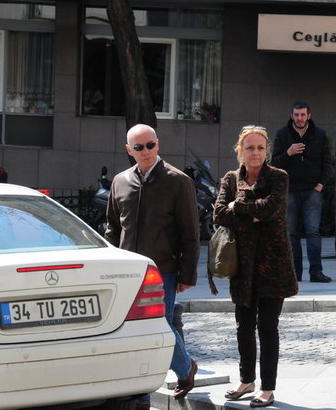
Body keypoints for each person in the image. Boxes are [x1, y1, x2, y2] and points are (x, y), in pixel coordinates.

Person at [105, 124, 200, 407]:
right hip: (127, 271)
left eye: (150, 145)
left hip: (163, 270)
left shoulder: (178, 181)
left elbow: (191, 233)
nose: (146, 151)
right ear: (129, 150)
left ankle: (185, 368)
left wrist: (187, 274)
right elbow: (112, 228)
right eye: (139, 147)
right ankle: (142, 394)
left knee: (159, 326)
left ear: (158, 144)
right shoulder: (120, 182)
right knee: (134, 331)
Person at [214, 125, 299, 408]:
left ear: (267, 151)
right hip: (242, 264)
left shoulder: (278, 176)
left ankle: (268, 387)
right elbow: (219, 214)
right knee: (244, 326)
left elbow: (272, 209)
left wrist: (238, 207)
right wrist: (251, 212)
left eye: (260, 147)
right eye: (249, 147)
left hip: (273, 264)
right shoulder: (230, 179)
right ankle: (246, 380)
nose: (255, 152)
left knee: (267, 326)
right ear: (240, 150)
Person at [272, 102, 333, 282]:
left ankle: (316, 272)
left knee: (313, 232)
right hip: (290, 191)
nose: (300, 118)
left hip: (312, 191)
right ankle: (294, 273)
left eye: (303, 115)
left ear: (309, 116)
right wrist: (288, 153)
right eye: (297, 115)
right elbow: (274, 164)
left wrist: (320, 185)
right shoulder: (282, 134)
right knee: (292, 234)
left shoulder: (319, 134)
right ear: (291, 115)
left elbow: (327, 163)